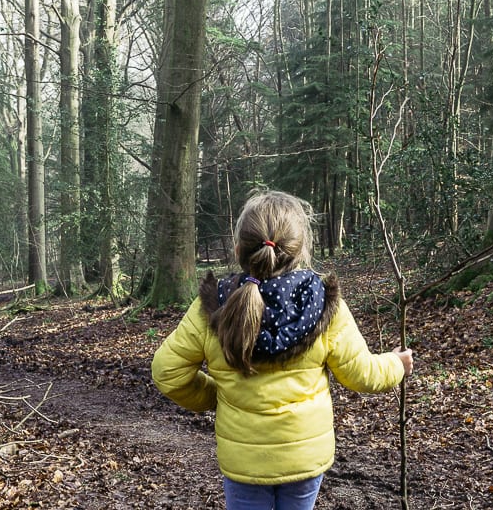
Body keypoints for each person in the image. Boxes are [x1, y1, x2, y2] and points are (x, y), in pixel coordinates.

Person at [152, 190, 414, 510]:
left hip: (244, 460)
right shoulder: (323, 303)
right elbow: (362, 375)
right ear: (301, 250)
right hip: (303, 458)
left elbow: (167, 372)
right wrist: (397, 364)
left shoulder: (213, 304)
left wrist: (213, 395)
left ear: (238, 250)